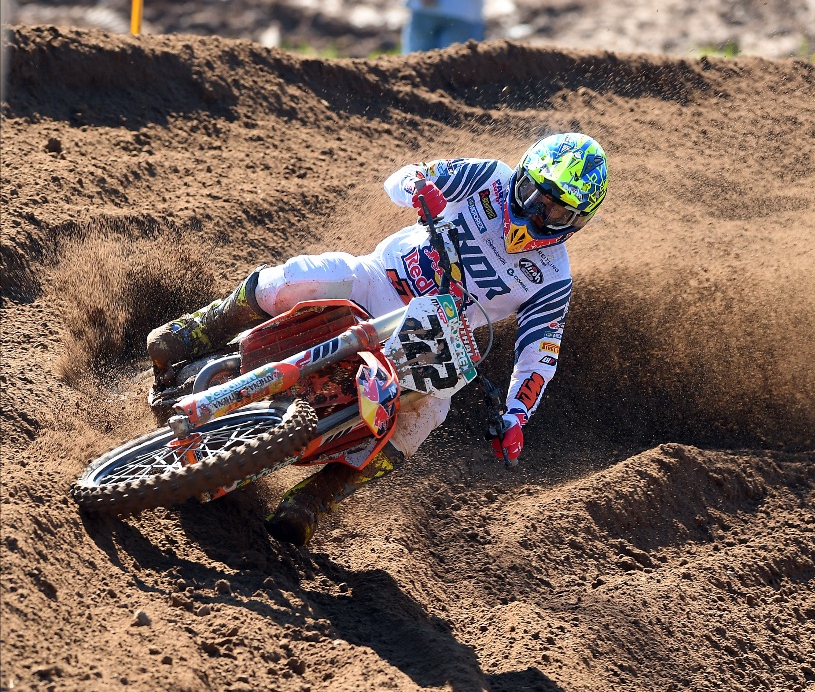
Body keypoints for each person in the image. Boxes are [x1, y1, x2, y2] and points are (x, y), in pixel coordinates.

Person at [146, 133, 608, 546]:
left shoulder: (554, 277)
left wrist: (516, 416)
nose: (536, 212)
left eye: (556, 211)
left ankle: (317, 498)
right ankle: (197, 329)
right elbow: (404, 177)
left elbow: (539, 352)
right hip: (380, 279)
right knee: (293, 279)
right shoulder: (488, 176)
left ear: (577, 221)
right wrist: (419, 187)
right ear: (521, 174)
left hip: (434, 335)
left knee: (428, 413)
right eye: (533, 193)